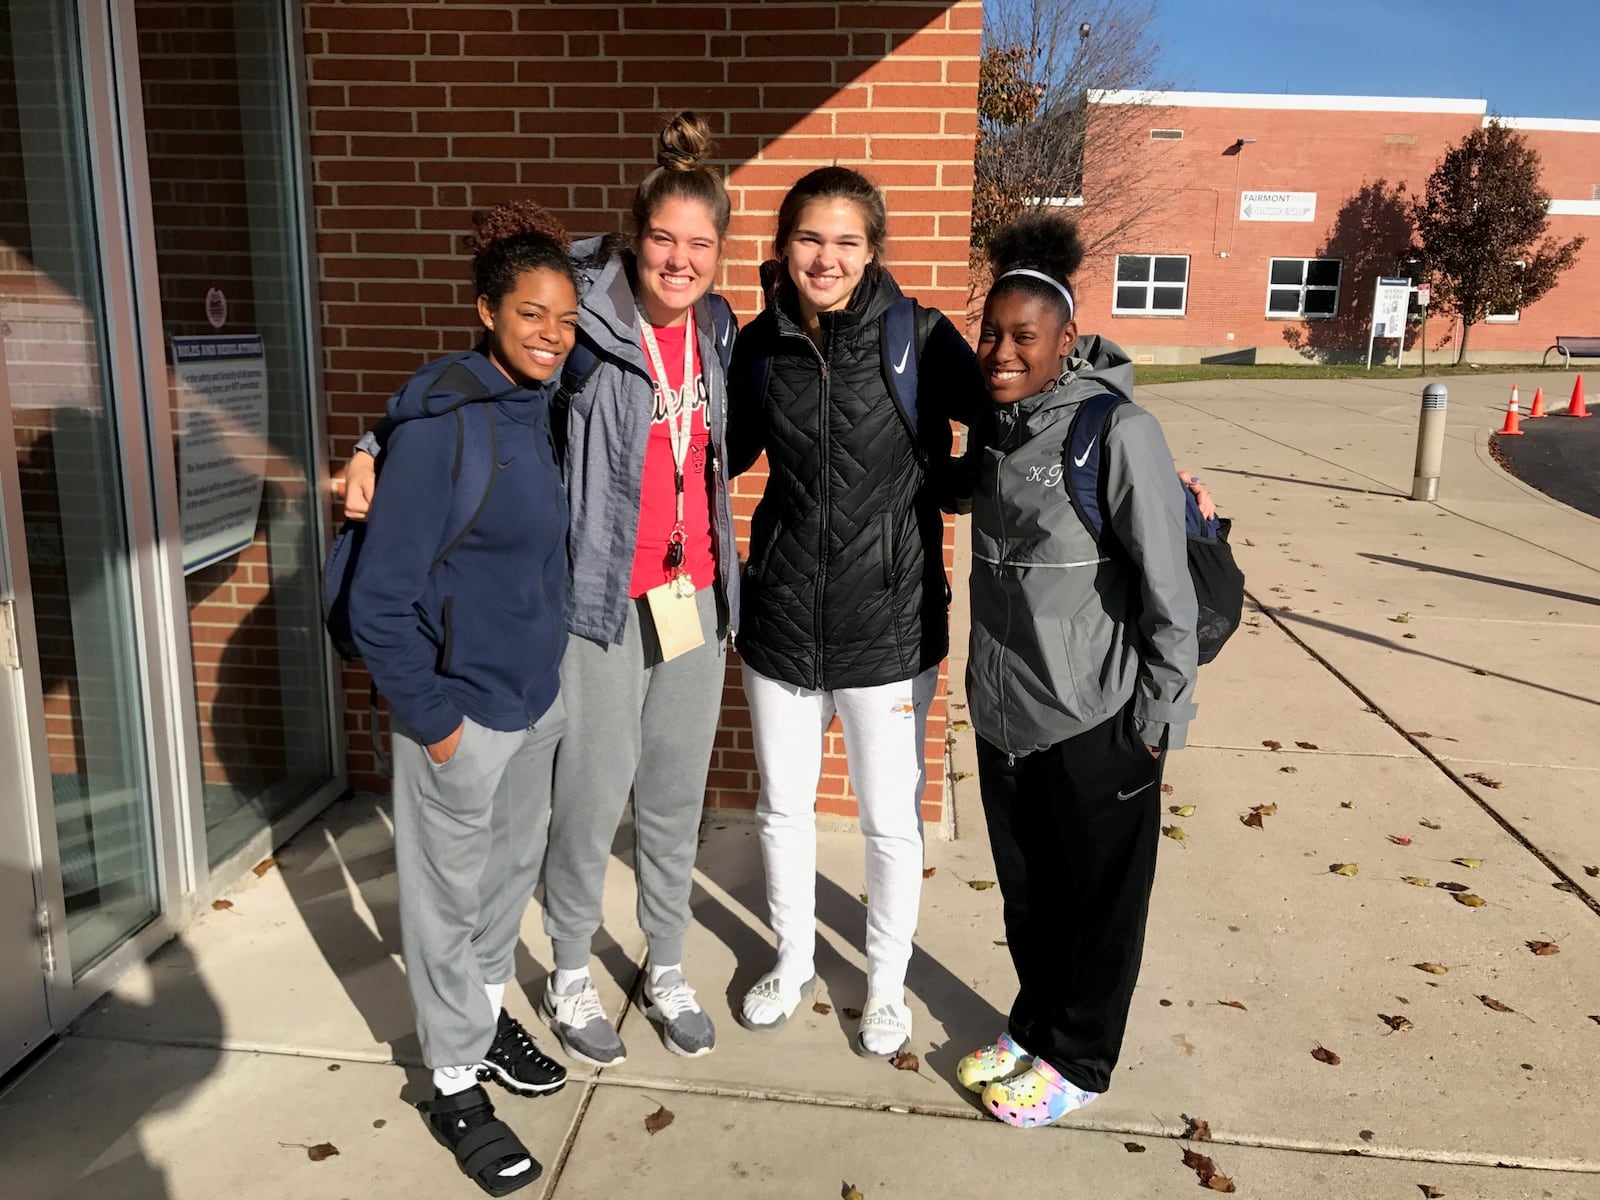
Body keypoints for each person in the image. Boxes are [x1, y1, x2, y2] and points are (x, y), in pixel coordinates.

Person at [344, 113, 738, 1066]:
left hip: (696, 599)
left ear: (721, 252)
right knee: (592, 800)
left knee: (676, 797)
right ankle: (568, 969)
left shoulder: (722, 328)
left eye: (701, 244)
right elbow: (462, 388)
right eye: (662, 240)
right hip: (601, 605)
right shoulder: (586, 326)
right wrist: (373, 444)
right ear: (631, 240)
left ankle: (668, 960)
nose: (679, 261)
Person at [725, 166, 987, 1057]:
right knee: (783, 811)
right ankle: (793, 958)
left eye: (845, 240)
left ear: (873, 250)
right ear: (782, 245)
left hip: (891, 619)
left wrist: (956, 485)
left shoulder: (917, 337)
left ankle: (884, 983)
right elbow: (712, 453)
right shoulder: (759, 348)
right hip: (782, 617)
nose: (824, 257)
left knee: (888, 819)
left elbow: (1005, 406)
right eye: (808, 238)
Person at [348, 201, 576, 1194]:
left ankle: (479, 1031)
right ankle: (449, 1080)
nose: (553, 336)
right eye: (531, 315)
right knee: (444, 904)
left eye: (565, 319)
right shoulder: (442, 423)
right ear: (486, 311)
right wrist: (434, 724)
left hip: (534, 701)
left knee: (502, 882)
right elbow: (378, 602)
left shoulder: (545, 405)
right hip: (459, 713)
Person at [954, 212, 1199, 1128]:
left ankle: (1082, 1059)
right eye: (992, 333)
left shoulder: (1117, 431)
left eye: (1024, 336)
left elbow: (1167, 589)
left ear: (1067, 341)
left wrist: (1159, 715)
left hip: (1100, 719)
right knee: (1030, 892)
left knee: (1097, 903)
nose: (1002, 350)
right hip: (1006, 715)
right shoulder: (996, 429)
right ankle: (1036, 1027)